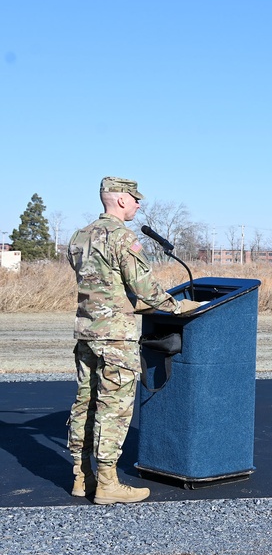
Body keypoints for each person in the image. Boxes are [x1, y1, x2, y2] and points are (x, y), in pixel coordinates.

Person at [67, 176, 203, 505]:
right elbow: (143, 288)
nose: (140, 205)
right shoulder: (121, 237)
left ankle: (81, 476)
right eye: (136, 199)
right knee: (113, 409)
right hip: (115, 338)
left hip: (87, 333)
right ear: (121, 200)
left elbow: (103, 287)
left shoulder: (79, 237)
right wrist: (177, 306)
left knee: (85, 403)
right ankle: (108, 484)